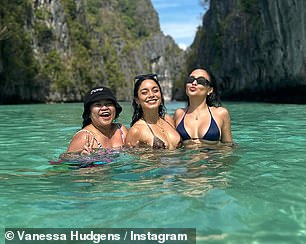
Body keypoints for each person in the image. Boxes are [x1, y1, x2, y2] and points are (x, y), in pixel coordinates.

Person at [174, 68, 232, 145]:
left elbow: (228, 147)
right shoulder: (179, 114)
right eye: (190, 80)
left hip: (212, 156)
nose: (194, 83)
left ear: (210, 90)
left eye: (201, 81)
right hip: (185, 156)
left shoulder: (221, 113)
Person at [125, 74, 181, 150]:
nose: (151, 95)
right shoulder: (136, 131)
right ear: (137, 100)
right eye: (144, 92)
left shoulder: (168, 120)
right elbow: (131, 159)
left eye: (155, 91)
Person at [66, 86, 128, 154]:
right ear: (89, 113)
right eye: (98, 105)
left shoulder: (121, 130)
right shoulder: (84, 137)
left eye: (109, 104)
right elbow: (63, 161)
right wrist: (81, 159)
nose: (104, 108)